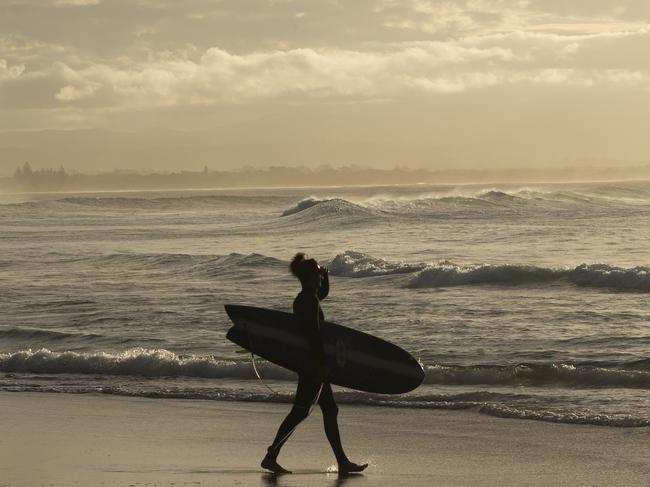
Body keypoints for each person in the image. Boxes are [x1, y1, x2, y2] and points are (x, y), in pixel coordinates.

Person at [260, 253, 368, 475]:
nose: (320, 278)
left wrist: (326, 277)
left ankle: (341, 461)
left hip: (311, 364)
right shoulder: (308, 301)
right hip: (312, 366)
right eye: (318, 274)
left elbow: (321, 294)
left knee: (327, 409)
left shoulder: (307, 297)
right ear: (310, 277)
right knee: (301, 412)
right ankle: (271, 456)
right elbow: (313, 334)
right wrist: (321, 364)